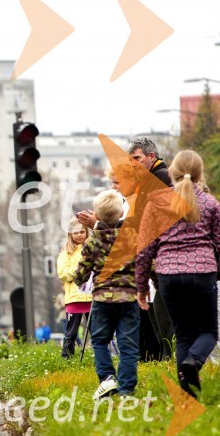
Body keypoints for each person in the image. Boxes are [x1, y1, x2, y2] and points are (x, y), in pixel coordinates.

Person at [78, 137, 175, 362]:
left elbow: (140, 223)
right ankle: (162, 362)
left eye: (137, 159)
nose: (133, 164)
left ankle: (169, 363)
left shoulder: (159, 180)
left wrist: (101, 225)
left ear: (152, 157)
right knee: (155, 323)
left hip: (156, 262)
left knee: (162, 323)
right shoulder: (151, 180)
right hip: (148, 265)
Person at [136, 150, 220, 398]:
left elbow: (144, 250)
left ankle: (187, 395)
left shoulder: (157, 204)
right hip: (202, 273)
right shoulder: (211, 204)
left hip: (168, 276)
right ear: (199, 173)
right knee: (209, 332)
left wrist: (141, 287)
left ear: (172, 172)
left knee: (182, 334)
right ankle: (193, 362)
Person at [73, 189, 140, 399]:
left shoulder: (92, 242)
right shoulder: (132, 237)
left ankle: (107, 379)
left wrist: (79, 279)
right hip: (129, 298)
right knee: (128, 345)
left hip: (102, 300)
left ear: (97, 216)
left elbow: (81, 274)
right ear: (121, 214)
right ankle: (127, 389)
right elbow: (145, 263)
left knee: (100, 341)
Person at [57, 218, 92, 358]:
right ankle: (67, 359)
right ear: (70, 234)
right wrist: (80, 269)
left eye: (82, 231)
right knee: (70, 333)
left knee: (96, 331)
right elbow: (63, 274)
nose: (79, 235)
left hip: (91, 297)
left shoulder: (92, 248)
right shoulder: (65, 253)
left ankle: (100, 358)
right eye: (76, 232)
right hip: (74, 299)